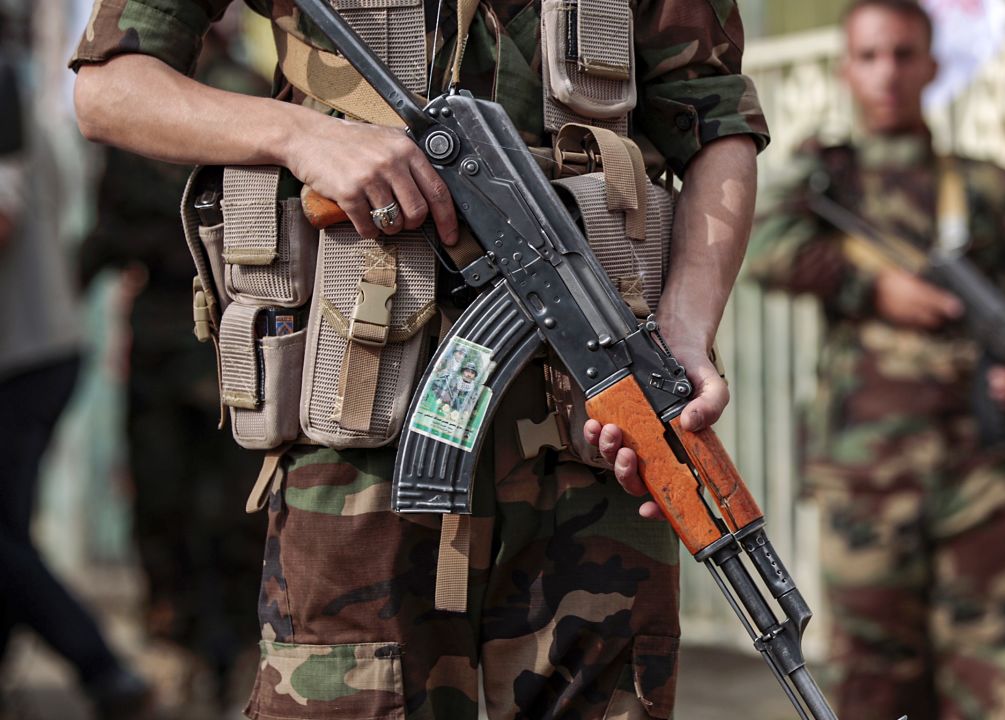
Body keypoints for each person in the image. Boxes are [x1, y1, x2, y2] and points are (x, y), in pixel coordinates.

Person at [71, 2, 766, 719]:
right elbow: (110, 88)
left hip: (595, 432)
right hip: (358, 432)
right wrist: (300, 136)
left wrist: (684, 333)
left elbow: (717, 127)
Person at [748, 2, 1005, 718]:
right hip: (867, 478)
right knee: (873, 679)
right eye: (869, 56)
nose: (887, 73)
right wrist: (873, 288)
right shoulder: (828, 183)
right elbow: (766, 249)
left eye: (904, 54)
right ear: (846, 69)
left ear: (933, 66)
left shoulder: (987, 186)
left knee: (1001, 674)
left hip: (984, 475)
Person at [77, 11, 270, 710]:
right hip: (188, 341)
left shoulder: (243, 95)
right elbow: (107, 228)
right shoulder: (153, 97)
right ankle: (195, 650)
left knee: (220, 512)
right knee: (177, 508)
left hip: (225, 341)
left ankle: (222, 653)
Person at [0, 3, 150, 718]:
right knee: (7, 531)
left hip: (24, 357)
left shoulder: (9, 92)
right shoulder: (26, 88)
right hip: (35, 350)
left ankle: (103, 669)